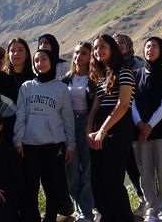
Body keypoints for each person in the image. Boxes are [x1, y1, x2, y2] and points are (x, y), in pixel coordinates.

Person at [14, 48, 75, 222]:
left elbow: (68, 119)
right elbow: (21, 116)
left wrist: (71, 145)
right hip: (29, 145)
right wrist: (18, 141)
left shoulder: (61, 88)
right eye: (37, 60)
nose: (40, 63)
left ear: (51, 62)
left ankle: (50, 219)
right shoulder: (27, 87)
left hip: (53, 145)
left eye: (44, 59)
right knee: (30, 187)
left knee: (52, 187)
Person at [86, 34, 135, 222]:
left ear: (112, 48)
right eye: (96, 48)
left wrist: (103, 130)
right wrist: (89, 131)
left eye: (102, 46)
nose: (98, 51)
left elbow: (122, 105)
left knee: (112, 181)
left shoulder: (125, 72)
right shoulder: (101, 77)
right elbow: (95, 107)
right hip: (99, 132)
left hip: (118, 130)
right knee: (98, 182)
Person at [132, 37, 162, 222]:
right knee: (145, 174)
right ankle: (152, 210)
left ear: (161, 50)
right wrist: (140, 124)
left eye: (155, 46)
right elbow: (131, 102)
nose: (150, 49)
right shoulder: (136, 74)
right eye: (147, 46)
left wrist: (148, 126)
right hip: (140, 133)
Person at [112, 33, 146, 215]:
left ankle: (148, 201)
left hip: (137, 119)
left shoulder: (139, 65)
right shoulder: (108, 68)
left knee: (141, 164)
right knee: (127, 163)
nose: (118, 47)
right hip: (118, 122)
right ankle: (136, 200)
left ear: (128, 45)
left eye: (121, 43)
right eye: (115, 44)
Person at [62, 41, 95, 222]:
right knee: (71, 168)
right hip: (68, 123)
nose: (78, 56)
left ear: (90, 56)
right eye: (76, 53)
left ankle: (86, 212)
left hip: (87, 122)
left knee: (88, 169)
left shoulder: (94, 79)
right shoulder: (67, 79)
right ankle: (78, 205)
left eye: (83, 53)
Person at [0, 38, 35, 144]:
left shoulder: (35, 80)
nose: (16, 53)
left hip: (32, 135)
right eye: (12, 50)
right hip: (6, 135)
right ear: (8, 55)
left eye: (20, 50)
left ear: (27, 54)